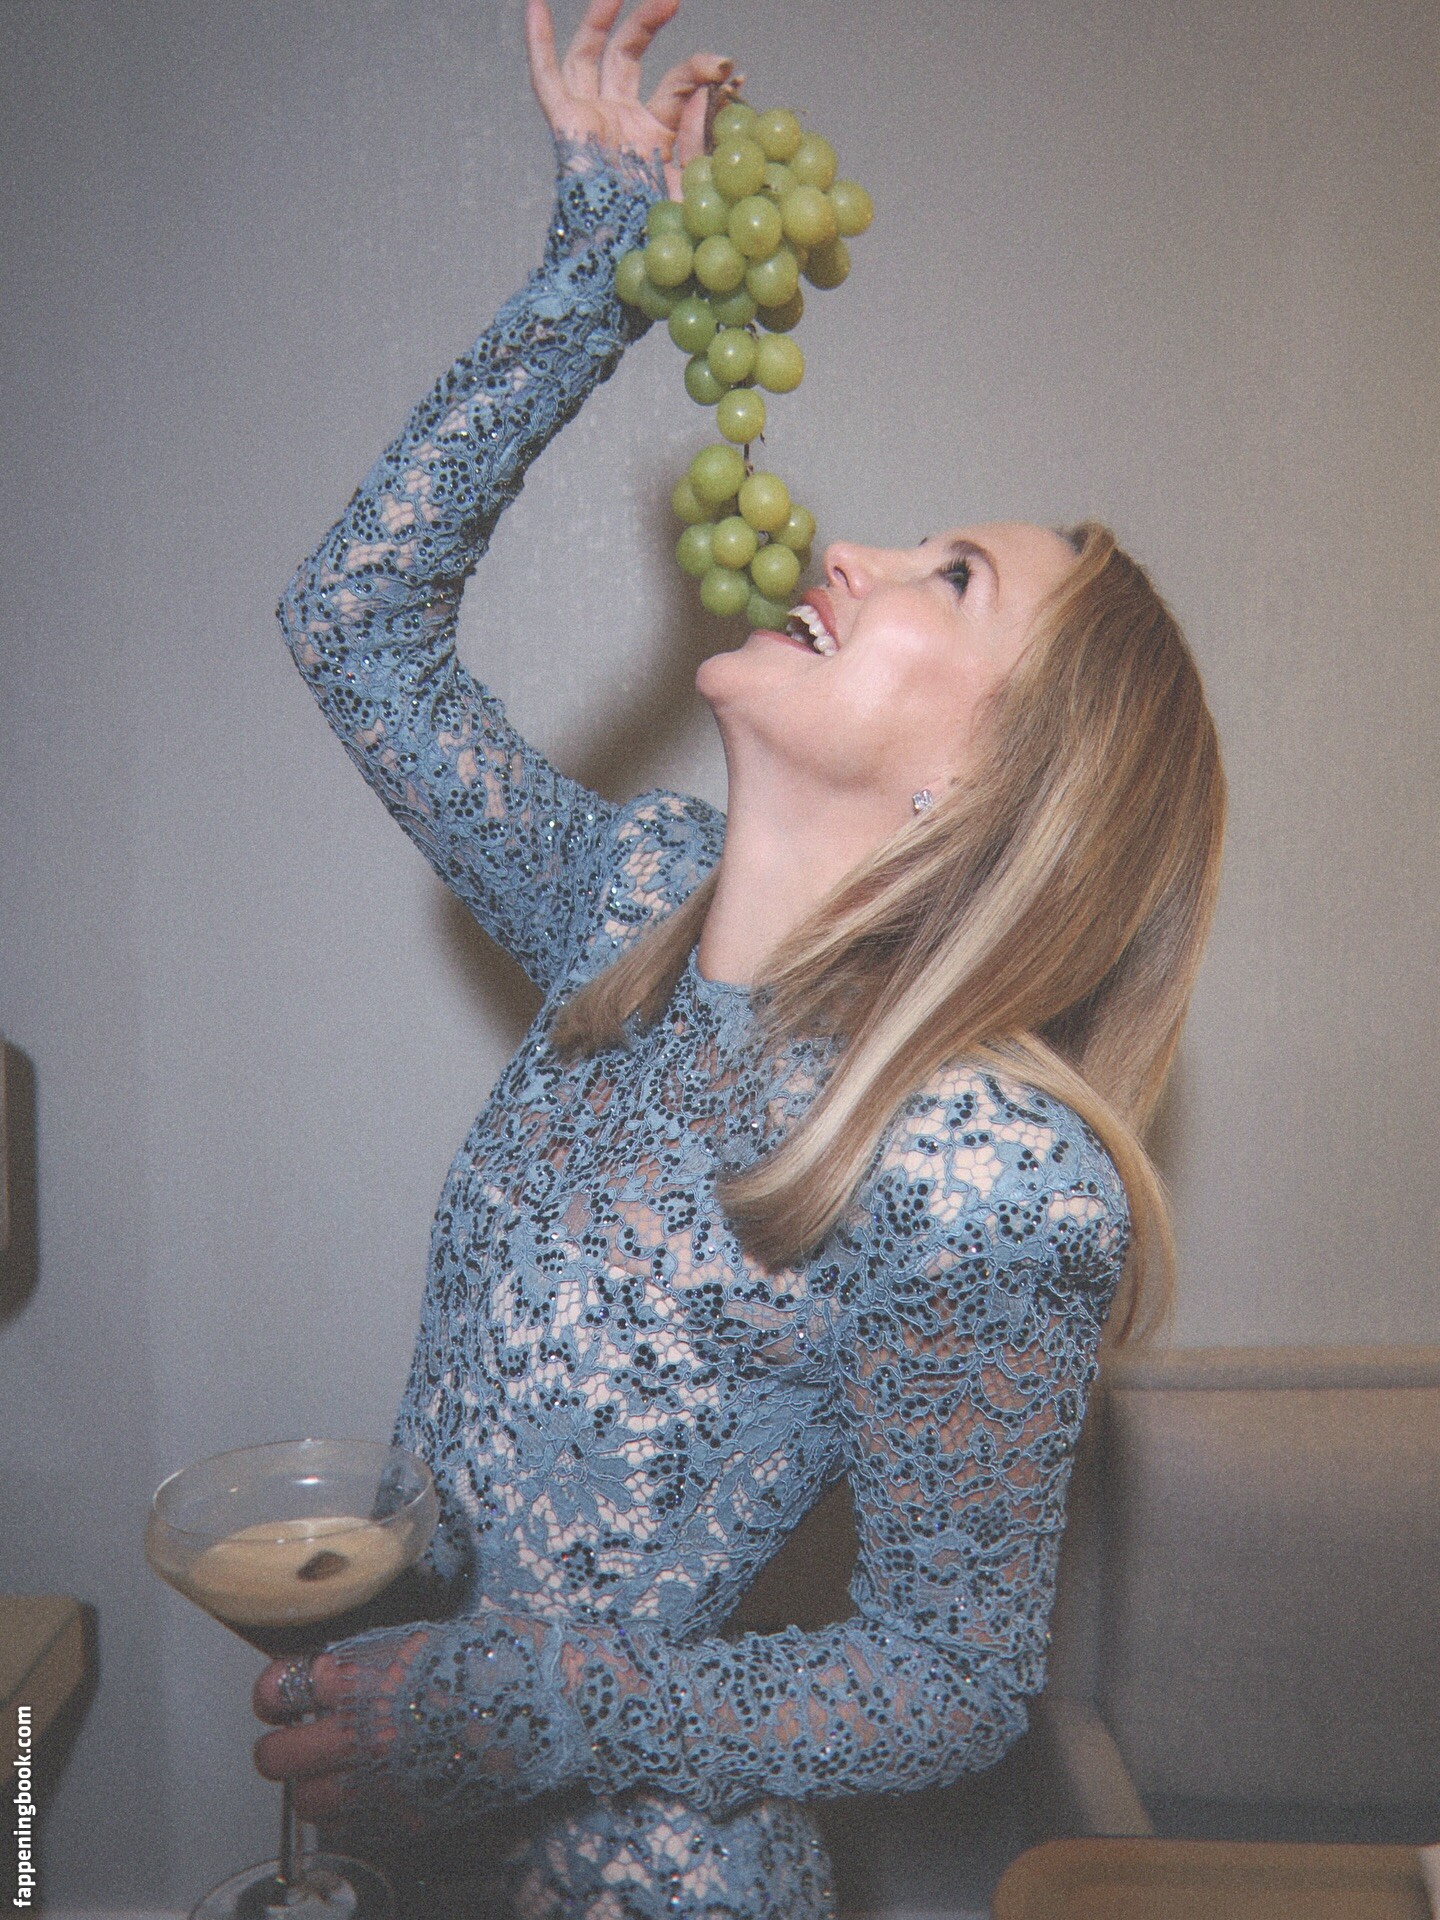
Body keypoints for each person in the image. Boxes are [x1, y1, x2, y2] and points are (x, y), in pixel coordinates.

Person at [252, 0, 1225, 1913]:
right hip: (394, 1853)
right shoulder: (630, 903)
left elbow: (950, 1679)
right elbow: (351, 623)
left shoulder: (989, 1174)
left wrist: (547, 1709)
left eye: (954, 576)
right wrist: (589, 280)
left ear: (1001, 787)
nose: (849, 551)